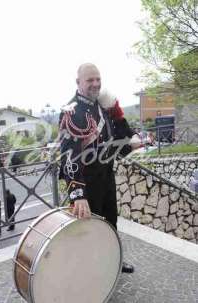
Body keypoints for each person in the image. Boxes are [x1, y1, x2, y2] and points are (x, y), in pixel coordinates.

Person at [59, 63, 140, 273]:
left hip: (106, 177)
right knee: (89, 230)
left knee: (110, 221)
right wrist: (78, 195)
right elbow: (69, 157)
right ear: (78, 82)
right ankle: (91, 274)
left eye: (98, 79)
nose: (95, 84)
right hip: (86, 183)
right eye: (90, 80)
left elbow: (113, 140)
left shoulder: (103, 106)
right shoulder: (70, 111)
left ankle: (112, 260)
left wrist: (130, 141)